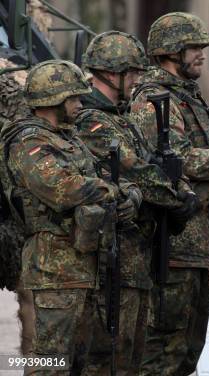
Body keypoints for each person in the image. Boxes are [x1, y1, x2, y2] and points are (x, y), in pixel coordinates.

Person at [0, 60, 135, 374]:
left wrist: (129, 194)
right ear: (52, 100)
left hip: (82, 266)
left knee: (79, 362)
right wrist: (115, 191)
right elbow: (63, 187)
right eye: (73, 98)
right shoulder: (28, 142)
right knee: (48, 363)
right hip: (52, 272)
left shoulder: (68, 139)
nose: (80, 103)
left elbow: (105, 176)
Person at [75, 30, 198, 374]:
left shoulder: (119, 117)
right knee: (109, 358)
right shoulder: (92, 120)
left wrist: (178, 187)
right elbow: (139, 169)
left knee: (131, 355)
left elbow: (153, 162)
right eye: (133, 73)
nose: (137, 81)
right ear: (112, 75)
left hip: (134, 256)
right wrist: (178, 195)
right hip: (113, 259)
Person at [130, 12, 209, 376]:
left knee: (188, 352)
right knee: (164, 354)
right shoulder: (155, 100)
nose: (201, 54)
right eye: (194, 47)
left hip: (197, 246)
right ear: (171, 51)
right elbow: (176, 159)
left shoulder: (185, 96)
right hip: (173, 245)